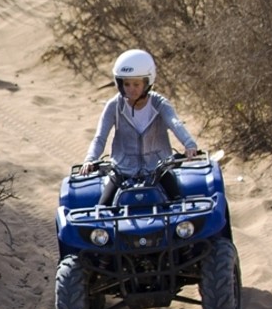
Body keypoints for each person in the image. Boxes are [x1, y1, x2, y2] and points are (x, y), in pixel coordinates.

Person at [80, 48, 200, 205]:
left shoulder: (160, 104)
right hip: (122, 171)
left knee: (178, 204)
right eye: (126, 84)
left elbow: (175, 124)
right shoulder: (114, 105)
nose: (131, 89)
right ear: (119, 83)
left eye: (136, 84)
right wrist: (90, 159)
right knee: (102, 207)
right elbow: (100, 137)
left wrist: (189, 144)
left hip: (159, 169)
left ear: (147, 82)